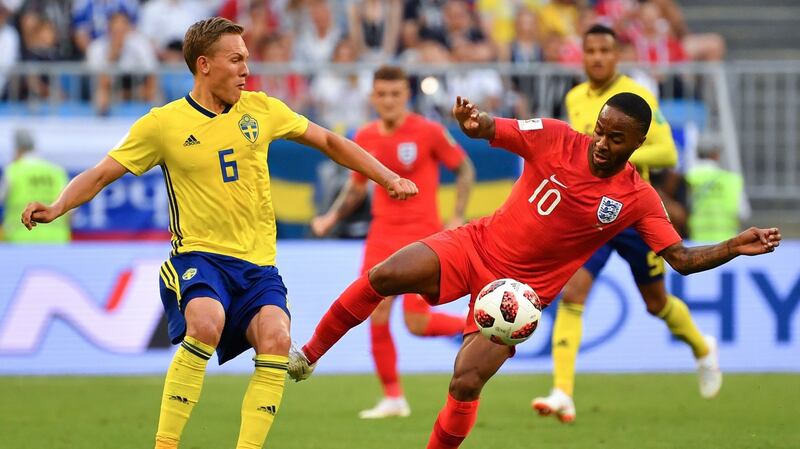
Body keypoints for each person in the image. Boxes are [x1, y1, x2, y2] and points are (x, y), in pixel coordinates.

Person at [287, 94, 781, 449]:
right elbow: (488, 130)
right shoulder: (554, 137)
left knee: (464, 383)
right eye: (600, 131)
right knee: (383, 276)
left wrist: (735, 245)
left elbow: (681, 260)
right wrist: (472, 120)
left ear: (637, 142)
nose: (602, 144)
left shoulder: (637, 199)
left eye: (616, 138)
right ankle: (308, 354)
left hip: (518, 297)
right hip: (473, 245)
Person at [20, 17, 417, 449]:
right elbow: (100, 174)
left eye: (247, 58)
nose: (247, 69)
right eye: (237, 59)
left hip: (258, 266)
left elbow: (331, 143)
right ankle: (165, 444)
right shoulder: (163, 125)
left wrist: (386, 176)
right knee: (206, 323)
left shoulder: (262, 110)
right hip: (198, 258)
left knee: (278, 339)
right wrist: (59, 205)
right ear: (204, 65)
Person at [531, 23, 719, 424]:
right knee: (573, 293)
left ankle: (703, 347)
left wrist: (618, 154)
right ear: (582, 56)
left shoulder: (638, 95)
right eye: (591, 51)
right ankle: (562, 392)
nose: (597, 57)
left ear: (617, 56)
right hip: (589, 216)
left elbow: (668, 149)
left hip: (633, 214)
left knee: (656, 304)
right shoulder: (575, 97)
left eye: (605, 50)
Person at [311, 65, 476, 419]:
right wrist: (331, 217)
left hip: (423, 238)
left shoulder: (428, 131)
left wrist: (458, 215)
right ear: (372, 96)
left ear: (407, 95)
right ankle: (393, 397)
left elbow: (464, 169)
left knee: (416, 323)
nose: (388, 100)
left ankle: (481, 328)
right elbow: (356, 188)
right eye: (381, 94)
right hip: (381, 237)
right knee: (376, 312)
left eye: (395, 94)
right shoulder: (365, 135)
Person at [1, 129, 69, 243]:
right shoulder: (56, 172)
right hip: (56, 241)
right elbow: (71, 212)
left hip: (20, 240)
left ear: (18, 150)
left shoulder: (13, 171)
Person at [685, 134, 744, 242]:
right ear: (716, 155)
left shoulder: (688, 177)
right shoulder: (732, 180)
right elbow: (742, 213)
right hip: (727, 244)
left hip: (695, 244)